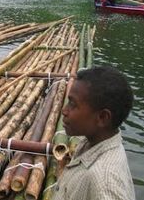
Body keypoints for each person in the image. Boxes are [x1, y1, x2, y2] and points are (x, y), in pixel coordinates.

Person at [53, 66, 135, 200]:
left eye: (73, 104)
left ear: (102, 118)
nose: (64, 110)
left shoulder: (104, 184)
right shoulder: (91, 141)